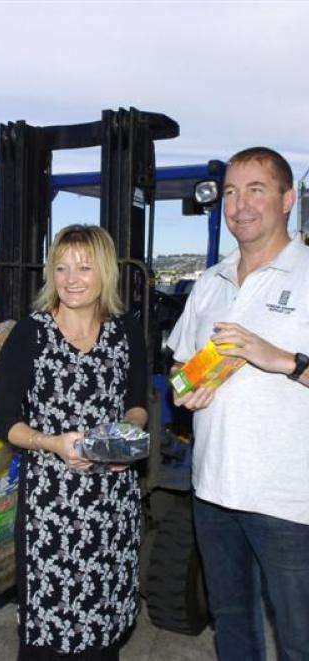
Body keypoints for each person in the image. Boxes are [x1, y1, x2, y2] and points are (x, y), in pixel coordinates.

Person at [167, 147, 309, 660]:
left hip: (289, 501)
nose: (240, 205)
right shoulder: (210, 283)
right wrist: (186, 389)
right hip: (213, 489)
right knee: (233, 627)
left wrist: (284, 359)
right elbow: (178, 370)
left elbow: (286, 363)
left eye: (256, 190)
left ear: (288, 199)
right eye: (230, 192)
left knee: (299, 638)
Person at [0, 224, 148, 661]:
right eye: (61, 267)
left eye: (83, 266)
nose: (71, 278)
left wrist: (125, 446)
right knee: (48, 634)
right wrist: (52, 442)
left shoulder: (125, 331)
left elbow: (137, 405)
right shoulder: (31, 333)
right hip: (51, 508)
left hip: (112, 503)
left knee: (103, 628)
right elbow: (4, 421)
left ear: (105, 273)